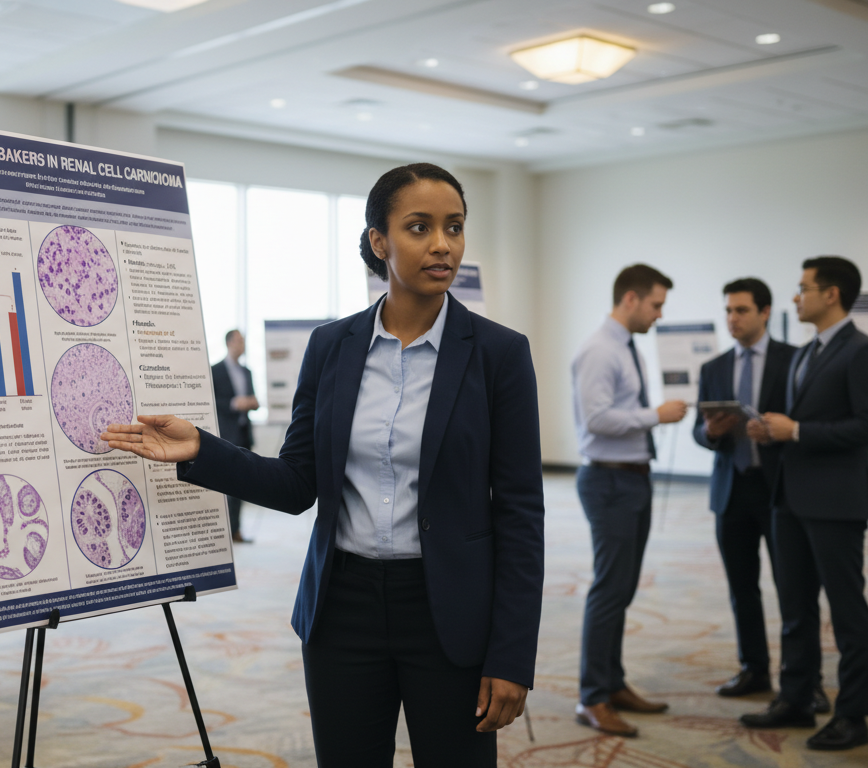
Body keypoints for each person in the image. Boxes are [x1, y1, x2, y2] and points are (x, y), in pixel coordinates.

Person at [103, 163, 544, 767]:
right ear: (379, 241)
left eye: (455, 227)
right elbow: (296, 483)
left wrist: (512, 655)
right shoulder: (333, 346)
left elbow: (521, 514)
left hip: (450, 613)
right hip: (343, 609)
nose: (443, 244)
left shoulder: (499, 354)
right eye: (420, 227)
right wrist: (203, 449)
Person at [740, 256, 868, 751]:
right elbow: (800, 425)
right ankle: (797, 697)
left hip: (836, 503)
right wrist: (773, 431)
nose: (795, 297)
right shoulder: (806, 353)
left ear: (832, 294)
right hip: (790, 498)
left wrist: (797, 429)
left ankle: (852, 715)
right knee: (795, 608)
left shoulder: (864, 351)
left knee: (847, 611)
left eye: (803, 288)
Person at [692, 279, 829, 710]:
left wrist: (776, 431)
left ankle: (806, 680)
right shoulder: (713, 367)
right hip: (731, 491)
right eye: (728, 310)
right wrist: (710, 432)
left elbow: (804, 421)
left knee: (796, 590)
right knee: (742, 588)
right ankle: (753, 669)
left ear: (765, 312)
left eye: (742, 310)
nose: (732, 318)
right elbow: (700, 430)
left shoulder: (795, 359)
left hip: (782, 490)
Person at [571, 264, 687, 737]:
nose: (660, 315)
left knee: (622, 589)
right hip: (609, 481)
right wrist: (654, 416)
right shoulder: (600, 350)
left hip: (632, 479)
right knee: (608, 590)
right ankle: (592, 697)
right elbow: (596, 419)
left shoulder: (624, 346)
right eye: (656, 304)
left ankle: (612, 682)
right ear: (631, 300)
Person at [210, 329, 259, 543]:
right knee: (222, 485)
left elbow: (254, 399)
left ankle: (236, 531)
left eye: (244, 341)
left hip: (243, 434)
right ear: (229, 343)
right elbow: (211, 400)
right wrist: (234, 403)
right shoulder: (215, 370)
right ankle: (222, 532)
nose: (243, 344)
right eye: (239, 341)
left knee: (241, 484)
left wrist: (252, 403)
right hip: (224, 434)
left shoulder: (247, 372)